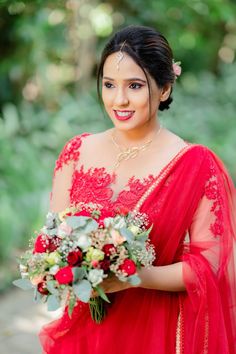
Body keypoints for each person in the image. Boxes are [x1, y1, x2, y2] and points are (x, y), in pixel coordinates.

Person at [40, 25, 236, 354]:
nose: (119, 99)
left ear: (164, 89)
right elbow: (56, 240)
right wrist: (53, 271)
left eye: (134, 85)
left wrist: (138, 275)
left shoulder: (196, 165)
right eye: (109, 85)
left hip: (155, 331)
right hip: (89, 329)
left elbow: (210, 266)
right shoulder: (76, 152)